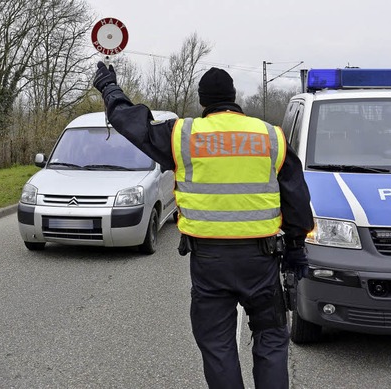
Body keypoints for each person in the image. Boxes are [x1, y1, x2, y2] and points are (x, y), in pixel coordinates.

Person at [93, 62, 314, 389]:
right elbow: (296, 200)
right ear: (235, 98)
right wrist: (296, 250)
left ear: (203, 101)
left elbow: (132, 123)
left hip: (209, 264)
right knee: (271, 339)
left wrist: (110, 88)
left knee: (218, 346)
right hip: (262, 262)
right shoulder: (271, 137)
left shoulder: (183, 135)